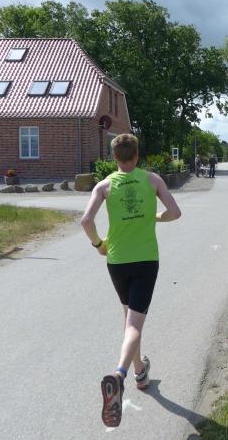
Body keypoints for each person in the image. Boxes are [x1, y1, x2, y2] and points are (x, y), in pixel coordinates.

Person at [80, 133, 182, 428]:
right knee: (135, 323)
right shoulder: (152, 180)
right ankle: (119, 375)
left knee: (129, 318)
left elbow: (86, 221)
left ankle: (140, 373)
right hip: (146, 260)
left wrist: (98, 245)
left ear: (114, 157)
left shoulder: (104, 185)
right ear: (137, 156)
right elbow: (175, 213)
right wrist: (155, 217)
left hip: (117, 260)